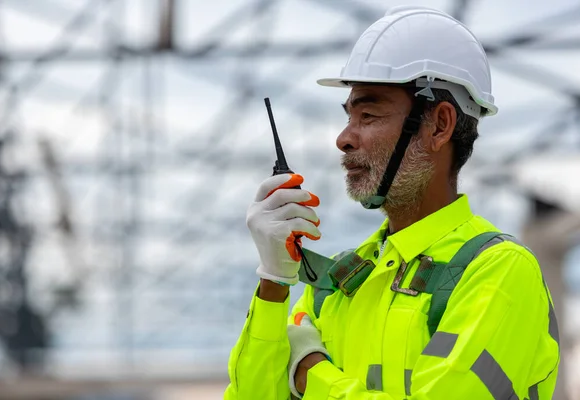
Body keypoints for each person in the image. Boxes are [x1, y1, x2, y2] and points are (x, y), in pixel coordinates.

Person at [224, 6, 560, 400]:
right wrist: (274, 283)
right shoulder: (342, 283)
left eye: (368, 115)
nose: (344, 138)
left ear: (439, 125)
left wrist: (310, 375)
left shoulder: (498, 272)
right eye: (349, 116)